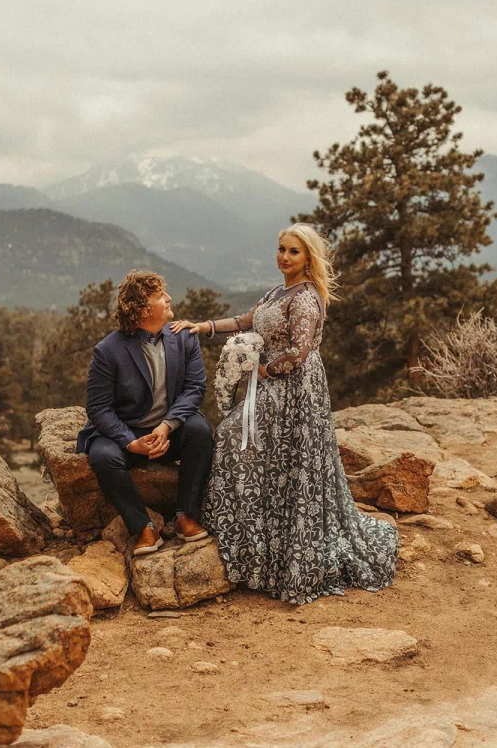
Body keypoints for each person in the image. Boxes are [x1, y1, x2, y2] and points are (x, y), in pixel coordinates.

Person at [171, 223, 399, 605]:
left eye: (293, 251)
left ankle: (268, 540)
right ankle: (252, 534)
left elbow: (300, 351)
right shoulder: (278, 292)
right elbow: (247, 321)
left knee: (233, 437)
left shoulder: (306, 298)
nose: (284, 257)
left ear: (308, 257)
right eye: (281, 249)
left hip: (294, 389)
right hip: (271, 384)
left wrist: (263, 370)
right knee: (240, 438)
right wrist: (205, 326)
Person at [77, 270, 213, 556]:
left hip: (169, 430)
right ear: (141, 308)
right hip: (126, 433)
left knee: (200, 431)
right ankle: (142, 527)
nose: (168, 298)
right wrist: (130, 441)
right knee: (102, 456)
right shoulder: (107, 350)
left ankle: (186, 516)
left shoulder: (185, 338)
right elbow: (98, 408)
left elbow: (194, 388)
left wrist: (167, 426)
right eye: (161, 295)